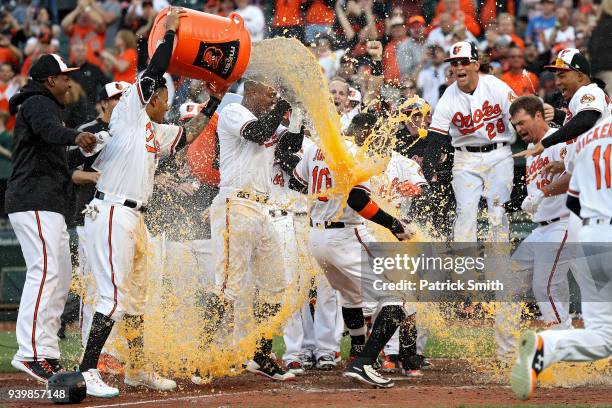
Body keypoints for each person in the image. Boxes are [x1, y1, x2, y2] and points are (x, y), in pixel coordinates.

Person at [78, 8, 223, 397]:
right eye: (159, 95)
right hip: (111, 211)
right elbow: (153, 73)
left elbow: (188, 135)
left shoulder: (152, 130)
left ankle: (137, 369)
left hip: (134, 217)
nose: (163, 100)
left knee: (138, 298)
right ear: (151, 97)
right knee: (113, 296)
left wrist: (210, 106)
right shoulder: (128, 112)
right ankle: (87, 369)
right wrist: (170, 37)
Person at [289, 118, 415, 388]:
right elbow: (358, 200)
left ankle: (357, 350)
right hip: (345, 233)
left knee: (350, 297)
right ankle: (366, 362)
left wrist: (327, 192)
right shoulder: (357, 152)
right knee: (400, 296)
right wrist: (394, 225)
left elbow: (297, 181)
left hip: (316, 236)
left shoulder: (316, 148)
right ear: (369, 133)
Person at [6, 53, 97, 382]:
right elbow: (49, 131)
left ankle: (46, 352)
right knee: (45, 271)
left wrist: (83, 145)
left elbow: (52, 144)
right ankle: (30, 352)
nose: (68, 81)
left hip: (46, 202)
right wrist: (75, 136)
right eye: (63, 76)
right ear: (49, 81)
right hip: (33, 200)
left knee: (59, 273)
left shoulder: (47, 107)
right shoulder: (37, 102)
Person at [207, 79, 304, 381]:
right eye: (270, 94)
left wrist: (298, 111)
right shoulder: (235, 110)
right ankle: (201, 353)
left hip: (262, 208)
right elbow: (259, 134)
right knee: (227, 286)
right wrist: (284, 106)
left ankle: (261, 354)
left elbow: (292, 146)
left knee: (276, 285)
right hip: (235, 203)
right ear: (251, 92)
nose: (274, 99)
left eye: (277, 95)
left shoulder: (268, 119)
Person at [511, 114, 612, 400]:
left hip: (592, 234)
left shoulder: (588, 138)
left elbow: (574, 200)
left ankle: (546, 346)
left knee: (602, 338)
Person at [495, 96, 573, 361]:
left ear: (539, 116)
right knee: (509, 284)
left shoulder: (558, 140)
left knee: (546, 287)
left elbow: (572, 176)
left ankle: (562, 352)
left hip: (564, 223)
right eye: (515, 125)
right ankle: (506, 354)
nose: (519, 129)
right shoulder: (532, 151)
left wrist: (541, 194)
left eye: (522, 122)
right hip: (542, 229)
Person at [422, 41, 517, 243]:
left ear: (475, 65)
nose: (459, 68)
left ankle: (499, 269)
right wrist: (429, 168)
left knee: (497, 213)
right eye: (455, 63)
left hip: (498, 154)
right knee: (465, 214)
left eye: (464, 62)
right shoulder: (448, 96)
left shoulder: (495, 86)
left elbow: (519, 114)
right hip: (465, 157)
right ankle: (464, 271)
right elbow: (436, 138)